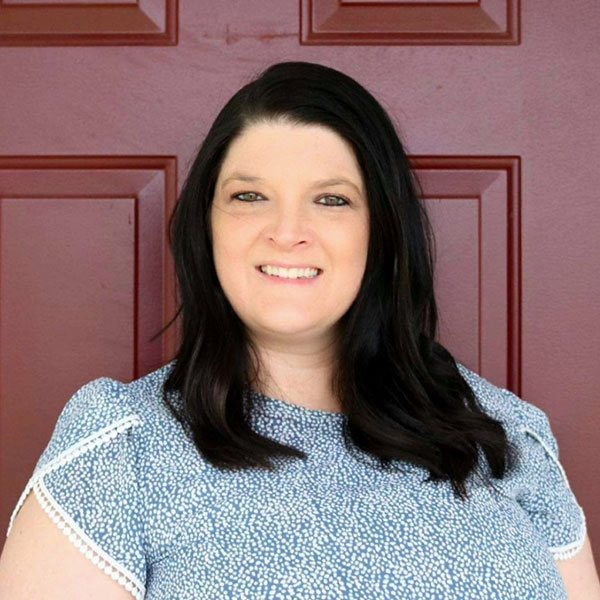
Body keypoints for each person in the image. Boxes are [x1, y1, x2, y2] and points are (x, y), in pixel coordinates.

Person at [0, 60, 598, 599]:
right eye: (250, 196)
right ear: (207, 230)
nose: (287, 232)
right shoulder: (120, 451)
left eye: (332, 201)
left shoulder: (506, 433)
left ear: (383, 230)